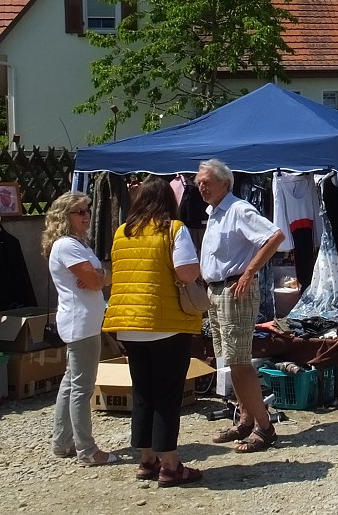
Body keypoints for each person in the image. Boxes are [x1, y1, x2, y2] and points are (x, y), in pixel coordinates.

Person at [103, 176, 204, 487]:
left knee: (143, 392)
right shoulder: (174, 230)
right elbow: (186, 273)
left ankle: (146, 459)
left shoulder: (122, 232)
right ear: (168, 201)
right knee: (167, 394)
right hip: (165, 324)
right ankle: (171, 465)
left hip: (129, 325)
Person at [196, 159, 286, 452]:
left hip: (234, 289)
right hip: (218, 291)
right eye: (199, 181)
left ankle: (265, 426)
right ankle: (246, 419)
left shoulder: (238, 210)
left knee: (239, 361)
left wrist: (249, 272)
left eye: (206, 181)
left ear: (225, 183)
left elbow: (275, 236)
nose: (201, 186)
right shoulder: (215, 214)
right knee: (230, 361)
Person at [44, 191, 117, 466]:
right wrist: (100, 277)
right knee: (81, 388)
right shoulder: (68, 246)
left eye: (87, 210)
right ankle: (86, 449)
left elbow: (102, 277)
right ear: (65, 216)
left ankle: (62, 442)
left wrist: (100, 276)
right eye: (79, 212)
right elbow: (98, 281)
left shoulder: (77, 244)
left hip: (82, 320)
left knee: (71, 382)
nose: (86, 216)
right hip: (81, 323)